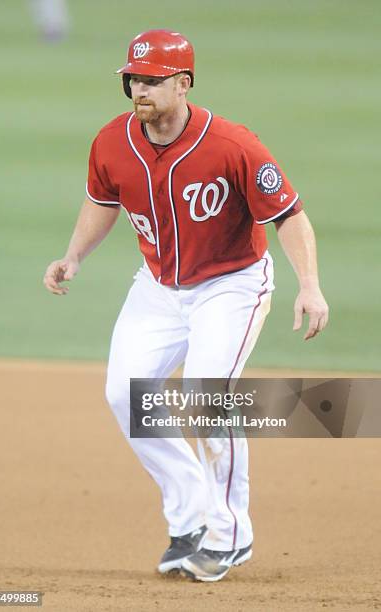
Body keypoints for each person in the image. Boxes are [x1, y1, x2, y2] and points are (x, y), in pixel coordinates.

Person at [43, 29, 329, 582]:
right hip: (157, 288)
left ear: (182, 83)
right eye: (134, 80)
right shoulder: (111, 140)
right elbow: (103, 199)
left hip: (231, 286)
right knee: (125, 394)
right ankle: (189, 517)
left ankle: (229, 536)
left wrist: (310, 285)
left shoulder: (233, 145)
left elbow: (289, 214)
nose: (139, 90)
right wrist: (73, 255)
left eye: (151, 80)